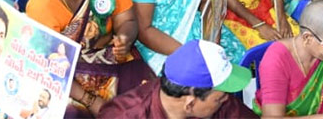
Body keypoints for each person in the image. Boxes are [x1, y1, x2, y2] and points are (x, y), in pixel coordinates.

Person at [25, 0, 153, 115]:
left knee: (147, 93)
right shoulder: (42, 4)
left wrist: (125, 38)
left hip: (108, 56)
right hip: (66, 77)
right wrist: (90, 100)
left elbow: (127, 19)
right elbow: (48, 67)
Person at [97, 38, 251, 119]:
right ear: (190, 104)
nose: (226, 100)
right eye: (220, 99)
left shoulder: (217, 98)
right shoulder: (123, 116)